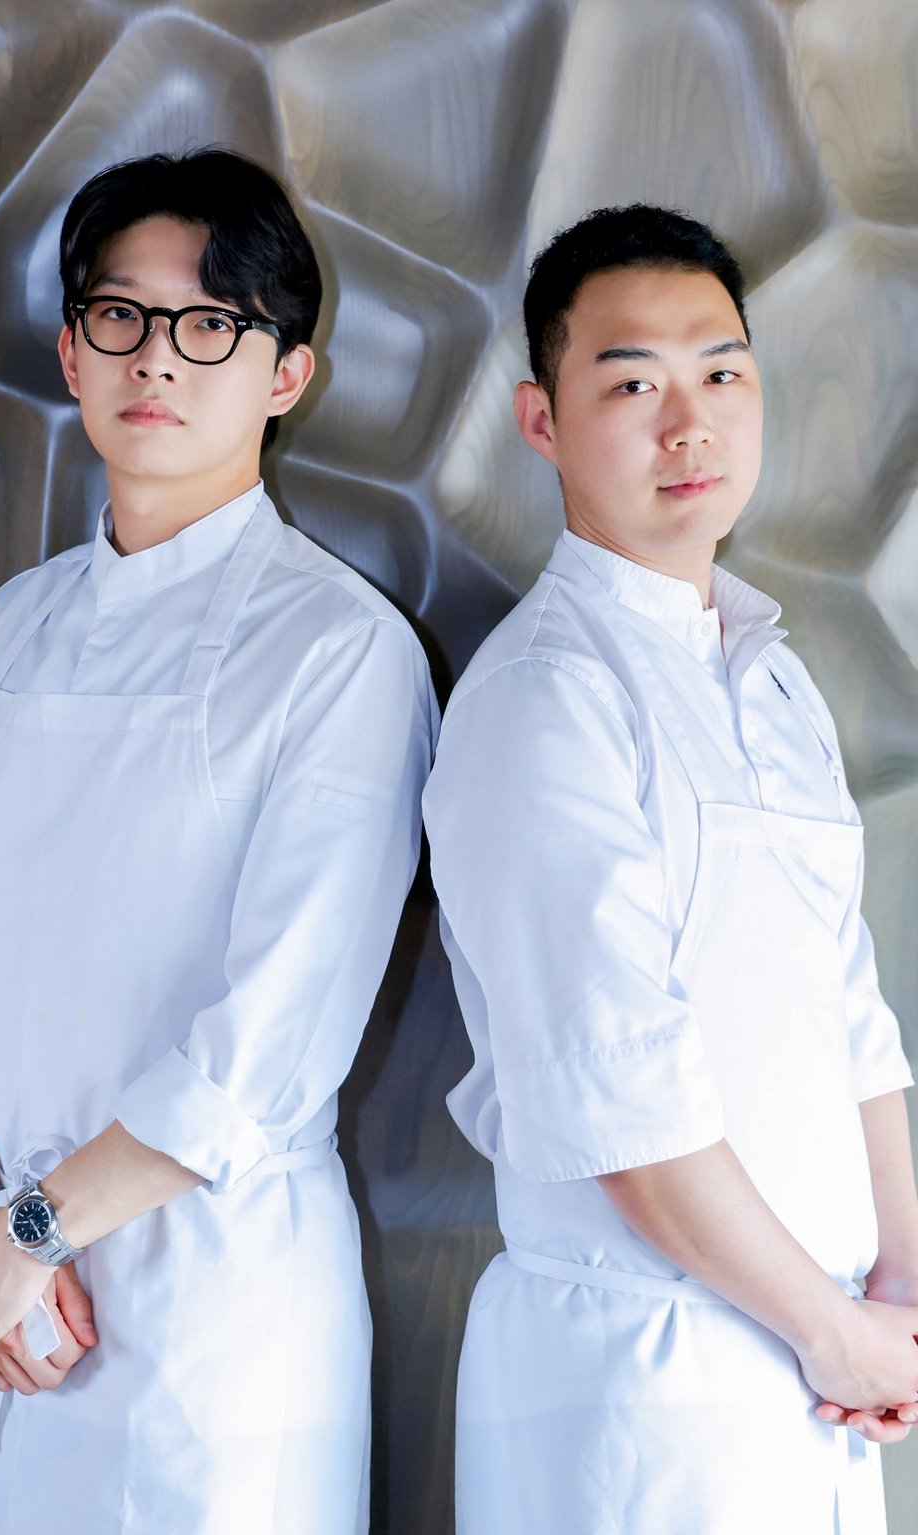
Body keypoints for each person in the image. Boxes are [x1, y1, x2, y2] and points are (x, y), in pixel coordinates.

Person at [0, 147, 436, 1535]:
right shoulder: (10, 630)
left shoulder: (341, 652)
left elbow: (268, 1040)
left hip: (211, 1308)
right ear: (72, 354)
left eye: (212, 325)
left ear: (285, 374)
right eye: (121, 318)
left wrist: (30, 1236)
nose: (159, 359)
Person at [422, 204, 918, 1534]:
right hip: (640, 1382)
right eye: (633, 382)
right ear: (542, 421)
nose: (686, 423)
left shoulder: (773, 674)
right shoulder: (540, 696)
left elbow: (850, 1006)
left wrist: (901, 1300)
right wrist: (837, 1334)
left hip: (820, 1369)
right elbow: (620, 1100)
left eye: (720, 374)